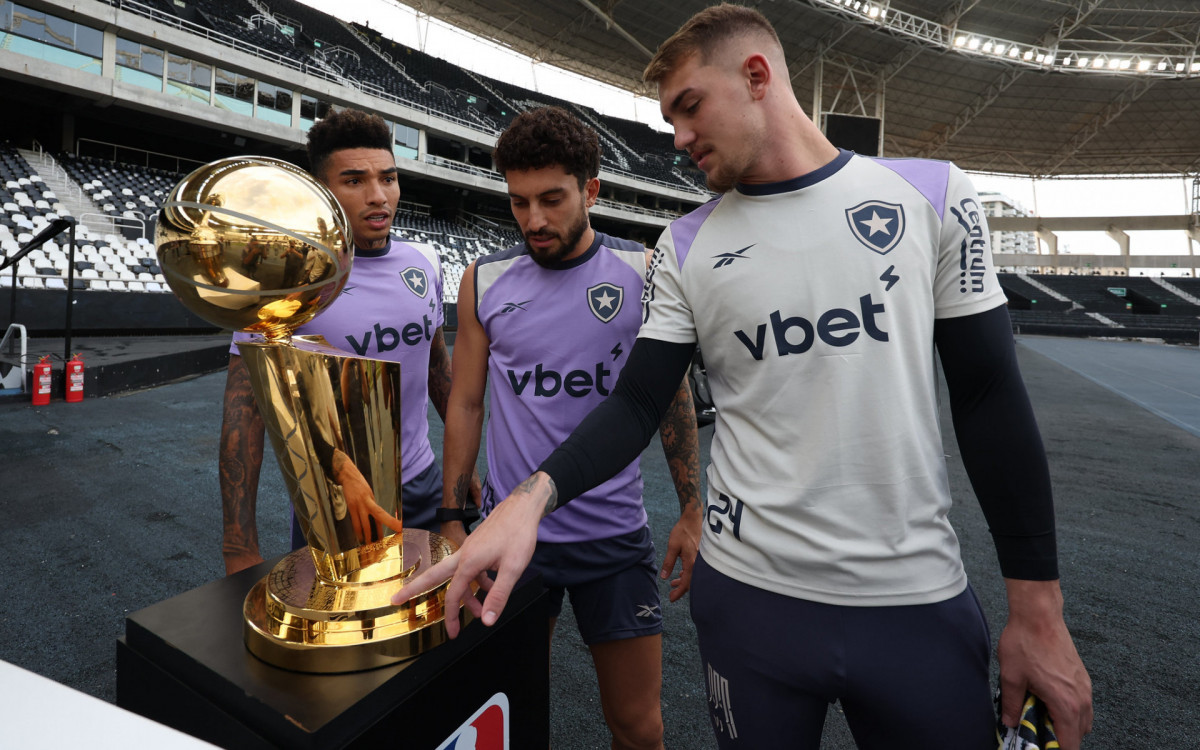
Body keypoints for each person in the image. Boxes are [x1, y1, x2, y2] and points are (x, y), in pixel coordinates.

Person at [396, 6, 1094, 750]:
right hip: (748, 604)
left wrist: (1039, 610)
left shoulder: (934, 194)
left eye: (690, 108)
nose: (679, 139)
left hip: (915, 599)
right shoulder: (683, 244)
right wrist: (530, 500)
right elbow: (637, 401)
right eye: (670, 119)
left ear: (757, 76)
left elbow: (988, 396)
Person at [437, 106, 702, 750]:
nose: (533, 219)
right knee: (507, 712)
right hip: (509, 541)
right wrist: (450, 513)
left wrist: (692, 507)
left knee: (639, 727)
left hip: (613, 540)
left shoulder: (643, 274)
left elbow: (671, 401)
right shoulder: (484, 282)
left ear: (591, 190)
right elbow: (466, 402)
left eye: (551, 199)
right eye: (519, 201)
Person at [219, 107, 476, 575]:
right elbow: (244, 412)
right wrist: (239, 544)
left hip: (424, 483)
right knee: (351, 640)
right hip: (334, 498)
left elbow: (438, 371)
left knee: (440, 629)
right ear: (321, 191)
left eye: (389, 178)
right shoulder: (285, 278)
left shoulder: (425, 261)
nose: (379, 196)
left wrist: (462, 474)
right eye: (355, 181)